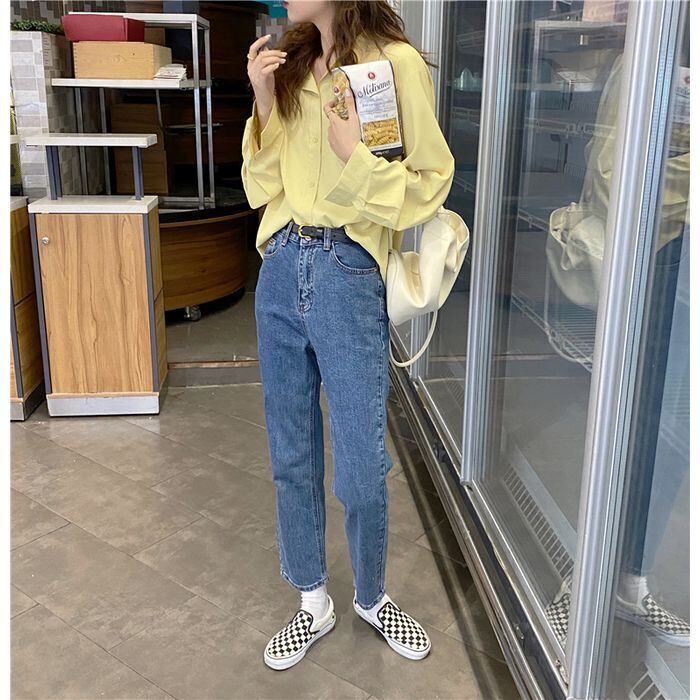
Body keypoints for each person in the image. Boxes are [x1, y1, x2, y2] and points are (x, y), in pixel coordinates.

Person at [241, 0, 455, 671]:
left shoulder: (393, 66)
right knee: (291, 454)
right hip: (282, 268)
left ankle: (370, 595)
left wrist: (353, 158)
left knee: (363, 466)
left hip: (349, 270)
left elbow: (431, 182)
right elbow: (262, 187)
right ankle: (312, 600)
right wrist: (264, 103)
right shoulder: (294, 63)